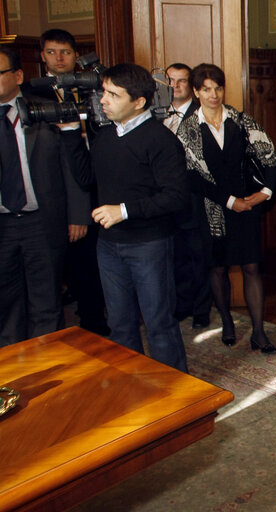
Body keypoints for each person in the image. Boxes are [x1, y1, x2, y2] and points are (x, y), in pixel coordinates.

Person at [74, 63, 190, 372]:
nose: (103, 100)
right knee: (120, 324)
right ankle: (134, 388)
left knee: (159, 323)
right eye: (104, 92)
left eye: (113, 94)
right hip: (109, 245)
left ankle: (176, 396)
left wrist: (123, 210)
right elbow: (86, 177)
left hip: (149, 244)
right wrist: (72, 134)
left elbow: (176, 196)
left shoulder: (161, 141)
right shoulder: (105, 137)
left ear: (138, 102)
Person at [176, 63, 276, 353]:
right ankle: (227, 321)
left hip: (247, 209)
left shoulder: (241, 121)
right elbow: (192, 177)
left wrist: (265, 192)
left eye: (218, 88)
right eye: (206, 89)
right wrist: (230, 201)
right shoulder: (187, 130)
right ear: (196, 92)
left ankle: (259, 332)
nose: (214, 94)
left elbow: (270, 156)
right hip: (211, 212)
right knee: (218, 270)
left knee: (251, 267)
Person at [0, 46, 90, 345]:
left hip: (41, 221)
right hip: (2, 226)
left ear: (18, 75)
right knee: (6, 305)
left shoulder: (43, 111)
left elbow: (71, 164)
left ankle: (47, 366)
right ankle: (13, 374)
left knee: (46, 300)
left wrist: (77, 214)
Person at [36, 28, 110, 336]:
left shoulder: (92, 89)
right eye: (52, 52)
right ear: (42, 57)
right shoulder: (33, 94)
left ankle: (93, 323)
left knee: (89, 264)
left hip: (93, 184)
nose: (59, 58)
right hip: (51, 190)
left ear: (76, 56)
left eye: (65, 52)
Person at [164, 63, 213, 329]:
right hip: (165, 199)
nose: (175, 86)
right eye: (170, 81)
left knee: (198, 256)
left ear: (192, 88)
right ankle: (181, 304)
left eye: (181, 81)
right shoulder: (155, 114)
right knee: (176, 256)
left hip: (194, 198)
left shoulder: (202, 114)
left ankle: (201, 309)